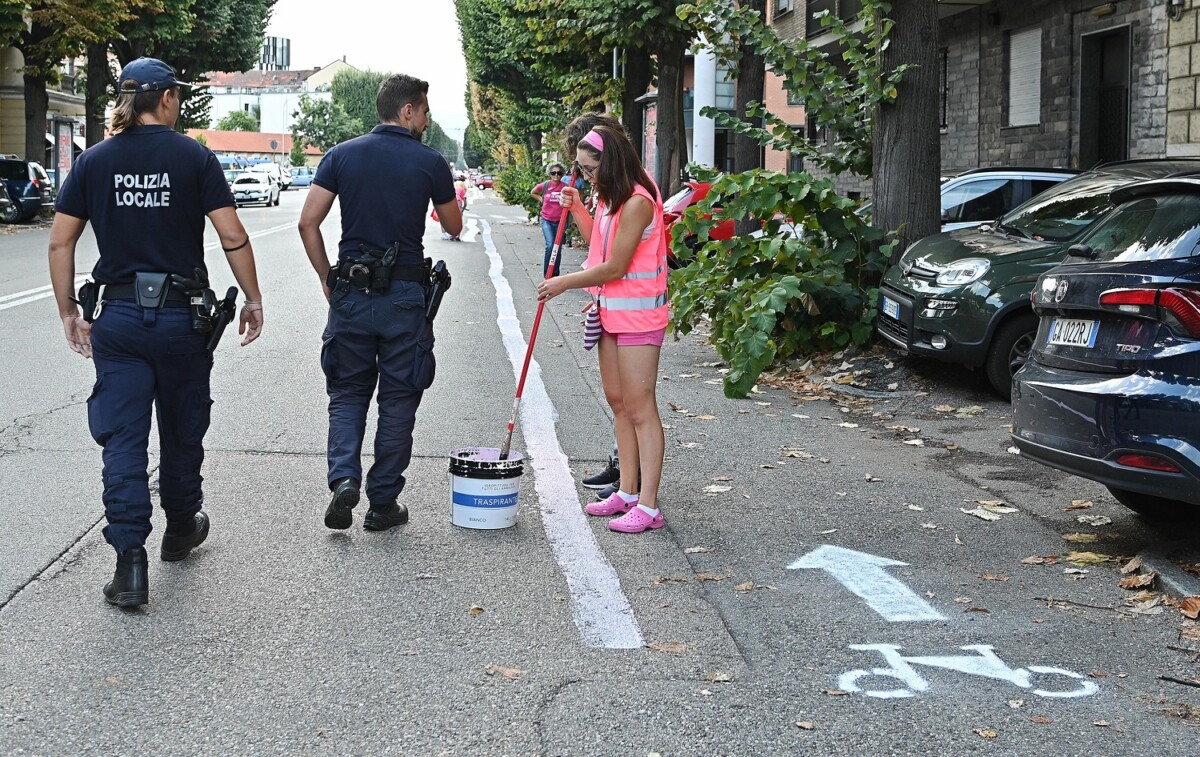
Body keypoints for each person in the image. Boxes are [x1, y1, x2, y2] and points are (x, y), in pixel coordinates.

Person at [47, 57, 265, 608]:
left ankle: (129, 563)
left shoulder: (94, 162)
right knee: (182, 425)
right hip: (180, 318)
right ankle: (180, 528)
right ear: (166, 99)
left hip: (117, 320)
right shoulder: (193, 157)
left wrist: (68, 310)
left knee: (123, 439)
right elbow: (232, 236)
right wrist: (254, 298)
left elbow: (59, 243)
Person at [298, 73, 462, 532]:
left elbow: (308, 223)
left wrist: (327, 277)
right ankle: (382, 503)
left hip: (351, 291)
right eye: (425, 112)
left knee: (347, 393)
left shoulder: (341, 155)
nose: (427, 121)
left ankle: (343, 478)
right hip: (405, 297)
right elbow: (453, 225)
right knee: (398, 399)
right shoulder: (429, 162)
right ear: (407, 110)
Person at [536, 124, 668, 533]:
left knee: (641, 407)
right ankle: (627, 491)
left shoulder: (638, 203)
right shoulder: (612, 199)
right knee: (619, 403)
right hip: (611, 312)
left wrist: (562, 283)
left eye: (590, 170)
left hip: (640, 318)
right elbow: (599, 246)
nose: (587, 177)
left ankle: (648, 506)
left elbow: (615, 266)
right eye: (581, 170)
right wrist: (578, 209)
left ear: (609, 163)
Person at [530, 162, 570, 277]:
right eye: (553, 173)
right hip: (547, 220)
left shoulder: (565, 187)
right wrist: (541, 199)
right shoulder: (545, 185)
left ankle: (555, 274)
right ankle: (547, 273)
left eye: (558, 173)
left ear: (562, 174)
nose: (556, 175)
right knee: (550, 245)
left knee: (557, 248)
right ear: (550, 174)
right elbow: (533, 192)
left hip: (560, 221)